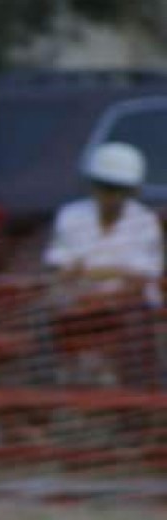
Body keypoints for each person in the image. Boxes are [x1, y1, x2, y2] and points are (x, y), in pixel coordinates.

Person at [44, 142, 163, 385]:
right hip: (77, 308)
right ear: (94, 186)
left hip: (126, 311)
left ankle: (136, 388)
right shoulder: (71, 216)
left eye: (123, 190)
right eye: (108, 188)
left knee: (138, 322)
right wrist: (109, 273)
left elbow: (140, 278)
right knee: (42, 317)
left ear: (133, 191)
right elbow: (61, 270)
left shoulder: (145, 221)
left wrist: (89, 271)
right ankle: (50, 387)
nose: (115, 197)